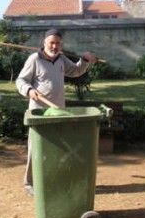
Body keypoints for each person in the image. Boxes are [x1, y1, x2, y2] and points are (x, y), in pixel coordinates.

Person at [16, 28, 98, 196]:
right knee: (35, 147)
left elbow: (75, 71)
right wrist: (29, 90)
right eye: (51, 43)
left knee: (57, 146)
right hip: (38, 111)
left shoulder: (61, 59)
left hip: (57, 110)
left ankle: (54, 178)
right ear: (44, 43)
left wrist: (84, 61)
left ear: (61, 45)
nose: (54, 46)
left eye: (57, 43)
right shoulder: (34, 59)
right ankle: (30, 183)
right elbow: (21, 80)